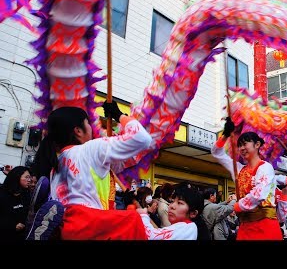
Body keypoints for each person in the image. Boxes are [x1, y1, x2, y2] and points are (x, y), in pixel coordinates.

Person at [30, 102, 152, 240]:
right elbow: (142, 138)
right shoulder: (91, 149)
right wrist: (120, 116)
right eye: (88, 123)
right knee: (133, 220)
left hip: (67, 229)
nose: (91, 128)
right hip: (90, 227)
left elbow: (123, 162)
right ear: (78, 131)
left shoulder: (55, 165)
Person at [210, 117, 283, 240]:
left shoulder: (265, 167)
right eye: (239, 146)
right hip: (245, 228)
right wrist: (225, 134)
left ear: (257, 144)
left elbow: (259, 194)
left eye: (244, 144)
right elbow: (217, 153)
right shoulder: (238, 169)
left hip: (265, 227)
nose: (241, 148)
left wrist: (238, 206)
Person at [138, 184, 211, 240]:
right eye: (172, 202)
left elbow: (151, 236)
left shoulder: (187, 227)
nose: (171, 206)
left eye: (180, 203)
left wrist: (143, 215)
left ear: (193, 213)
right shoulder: (186, 226)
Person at [0, 166, 32, 242]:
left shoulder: (26, 195)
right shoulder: (2, 194)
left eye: (30, 177)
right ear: (17, 177)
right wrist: (11, 226)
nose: (29, 180)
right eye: (26, 177)